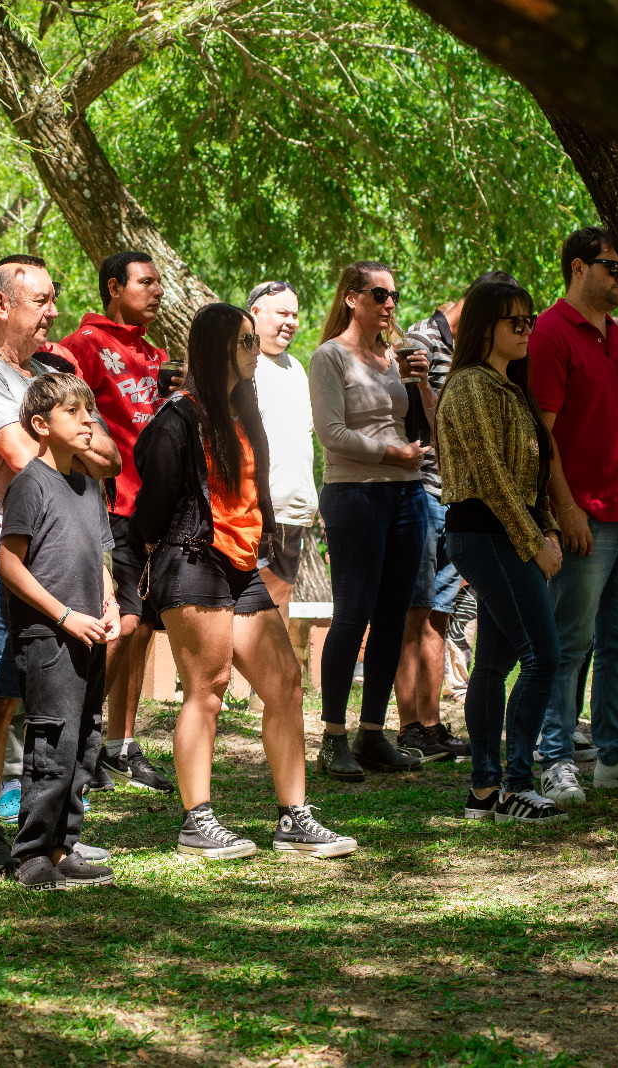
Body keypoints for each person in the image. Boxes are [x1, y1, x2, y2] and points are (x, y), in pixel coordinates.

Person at [132, 302, 357, 860]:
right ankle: (197, 821)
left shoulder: (242, 411)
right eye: (246, 342)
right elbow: (148, 514)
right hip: (191, 560)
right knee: (205, 690)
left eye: (254, 341)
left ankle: (293, 819)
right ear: (218, 350)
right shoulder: (178, 418)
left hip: (241, 566)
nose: (256, 351)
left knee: (284, 684)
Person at [0, 259, 121, 876]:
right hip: (0, 552)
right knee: (0, 692)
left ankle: (52, 836)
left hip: (68, 549)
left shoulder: (52, 371)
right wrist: (80, 443)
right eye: (41, 301)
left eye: (54, 300)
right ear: (1, 304)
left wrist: (83, 442)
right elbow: (29, 458)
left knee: (66, 702)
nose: (53, 314)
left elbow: (108, 459)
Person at [528, 228, 618, 806]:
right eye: (613, 268)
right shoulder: (550, 332)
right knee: (570, 641)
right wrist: (565, 509)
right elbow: (543, 433)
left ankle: (615, 756)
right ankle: (555, 756)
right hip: (585, 513)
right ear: (578, 267)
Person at [435, 280, 569, 824]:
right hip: (485, 534)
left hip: (507, 532)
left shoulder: (511, 389)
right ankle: (516, 784)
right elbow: (491, 477)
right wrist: (535, 543)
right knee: (543, 658)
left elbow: (529, 478)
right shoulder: (469, 386)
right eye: (515, 322)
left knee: (491, 666)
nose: (526, 330)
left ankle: (485, 793)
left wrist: (549, 530)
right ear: (484, 327)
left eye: (529, 320)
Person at [56, 251, 175, 794]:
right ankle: (79, 734)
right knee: (119, 626)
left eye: (158, 283)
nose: (157, 291)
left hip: (160, 509)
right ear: (113, 288)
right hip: (112, 506)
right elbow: (68, 420)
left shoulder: (157, 354)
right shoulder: (85, 345)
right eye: (145, 283)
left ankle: (121, 745)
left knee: (144, 628)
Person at [0, 373, 121, 889]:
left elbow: (100, 555)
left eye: (88, 411)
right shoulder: (30, 482)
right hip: (49, 639)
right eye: (74, 413)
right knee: (52, 741)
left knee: (84, 739)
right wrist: (64, 615)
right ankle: (29, 854)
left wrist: (109, 599)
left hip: (90, 634)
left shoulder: (87, 486)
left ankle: (63, 846)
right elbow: (9, 564)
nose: (88, 421)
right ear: (40, 425)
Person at [309, 261, 429, 780]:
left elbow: (426, 425)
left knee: (394, 616)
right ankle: (333, 737)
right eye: (379, 293)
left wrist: (422, 383)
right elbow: (331, 434)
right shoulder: (329, 356)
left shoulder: (392, 358)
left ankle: (373, 734)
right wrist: (389, 454)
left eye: (394, 295)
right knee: (353, 614)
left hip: (408, 497)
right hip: (354, 494)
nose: (389, 303)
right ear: (352, 297)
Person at [394, 278, 521, 761]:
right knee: (416, 610)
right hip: (426, 490)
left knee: (441, 613)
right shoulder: (420, 339)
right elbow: (415, 416)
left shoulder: (475, 349)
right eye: (498, 315)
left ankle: (431, 725)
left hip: (461, 497)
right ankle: (409, 726)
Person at [246, 281, 319, 619]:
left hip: (294, 513)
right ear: (255, 312)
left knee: (277, 609)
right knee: (252, 614)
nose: (291, 321)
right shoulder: (243, 365)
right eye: (282, 313)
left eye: (295, 315)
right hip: (256, 512)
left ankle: (269, 674)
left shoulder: (297, 368)